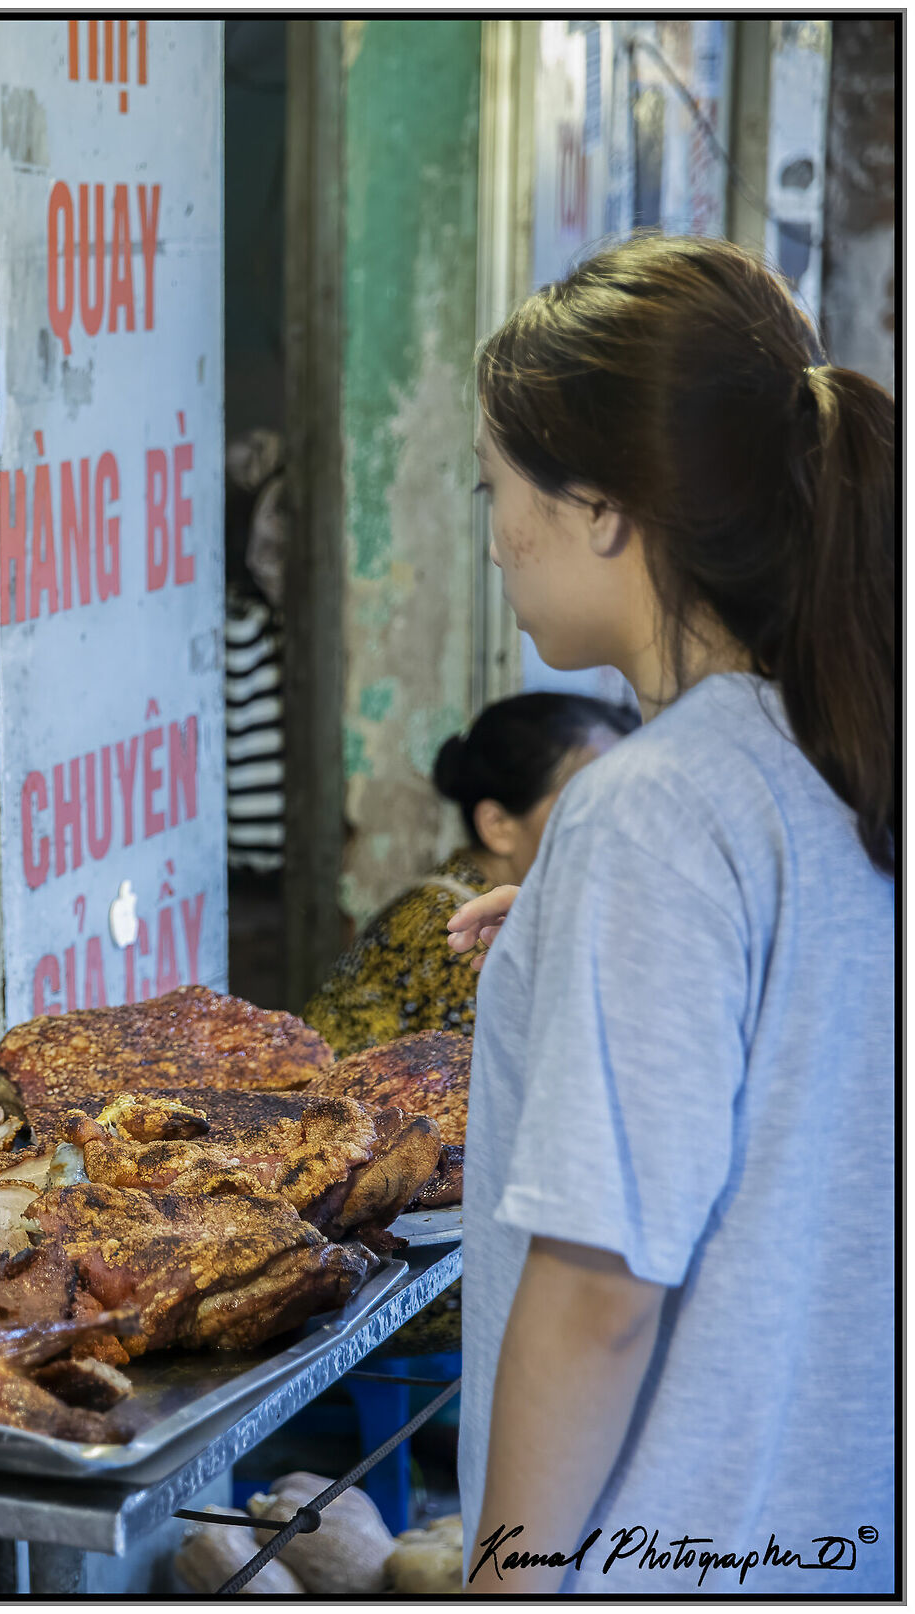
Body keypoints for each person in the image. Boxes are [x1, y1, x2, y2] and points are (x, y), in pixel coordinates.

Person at [445, 237, 893, 1593]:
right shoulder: (836, 757)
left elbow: (599, 1294)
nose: (494, 535)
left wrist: (505, 1581)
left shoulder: (654, 811)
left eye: (496, 485)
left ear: (603, 508)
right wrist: (582, 918)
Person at [298, 692, 636, 1054]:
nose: (621, 823)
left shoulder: (483, 901)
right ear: (498, 824)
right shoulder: (469, 937)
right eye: (588, 802)